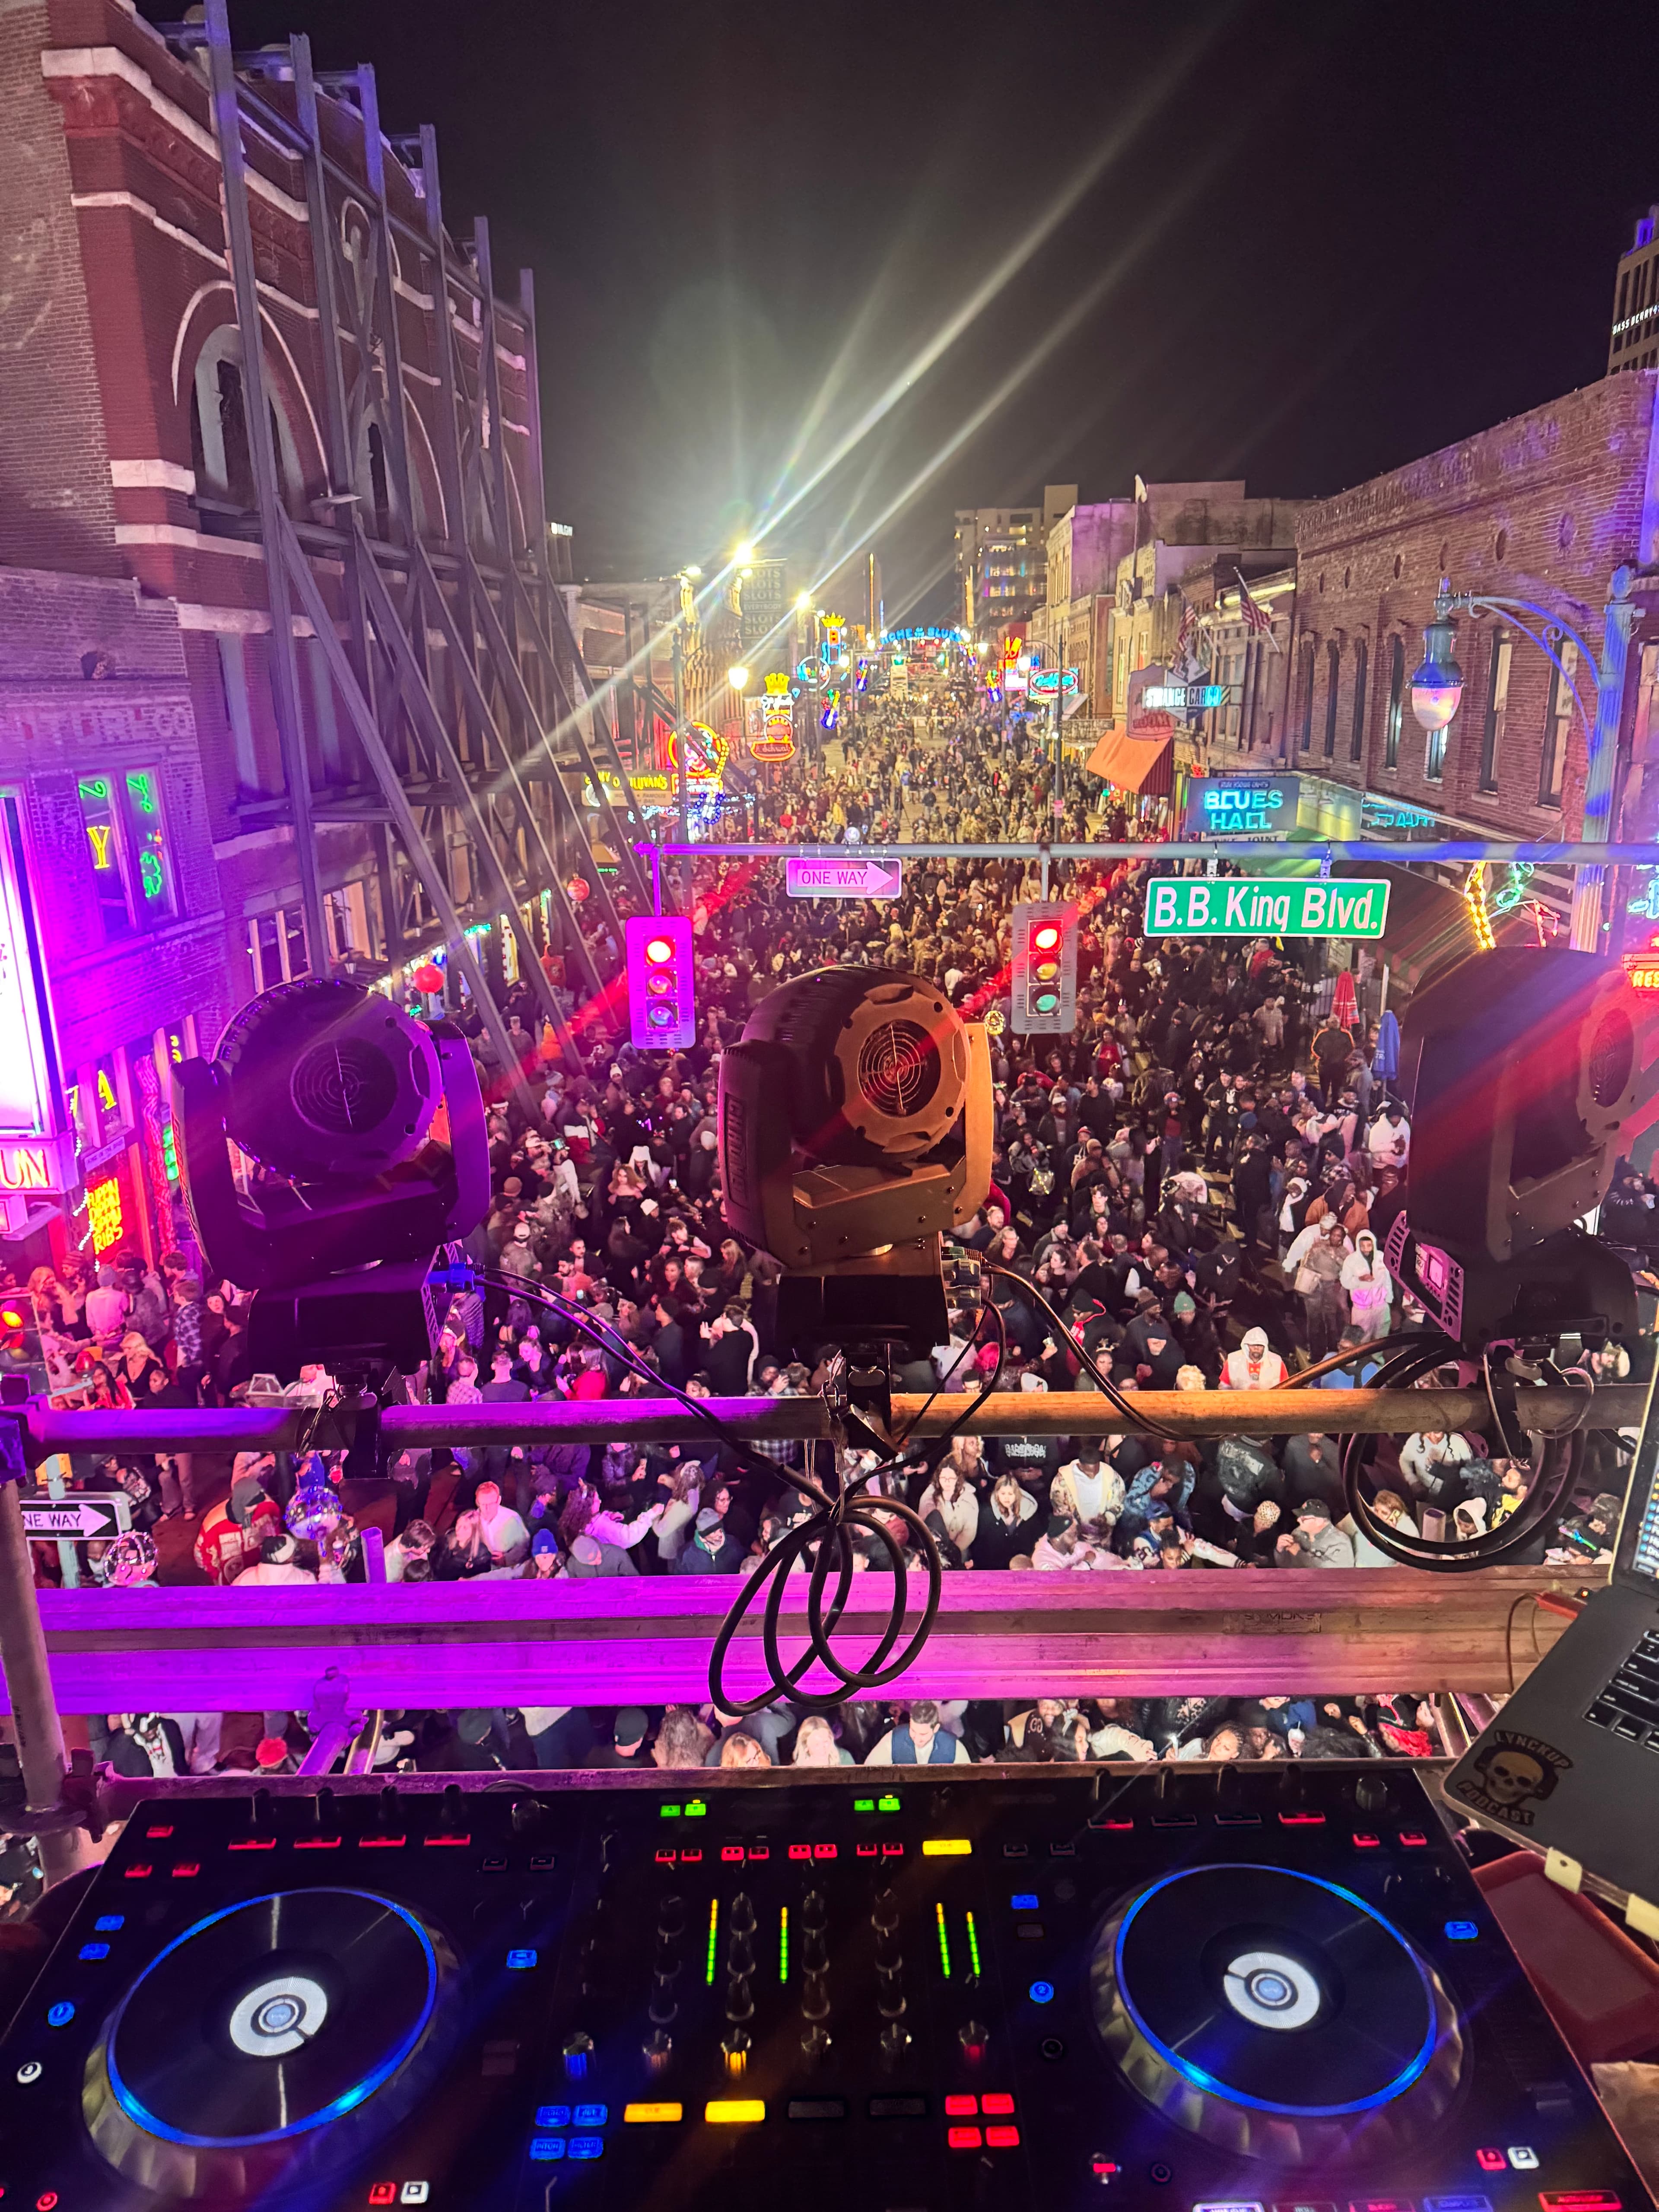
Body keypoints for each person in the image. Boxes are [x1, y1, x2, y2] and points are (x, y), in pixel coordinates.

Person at [864, 1698, 973, 1764]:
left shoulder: (954, 1746)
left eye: (923, 1734)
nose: (916, 1738)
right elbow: (869, 1770)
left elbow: (967, 1784)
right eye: (913, 1731)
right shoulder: (894, 1738)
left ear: (935, 1729)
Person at [1274, 1497, 1355, 1568]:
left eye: (1304, 1519)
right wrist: (1280, 1551)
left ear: (1320, 1521)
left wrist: (1299, 1553)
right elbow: (1284, 1566)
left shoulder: (1340, 1543)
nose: (1299, 1520)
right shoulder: (1298, 1533)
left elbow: (1334, 1574)